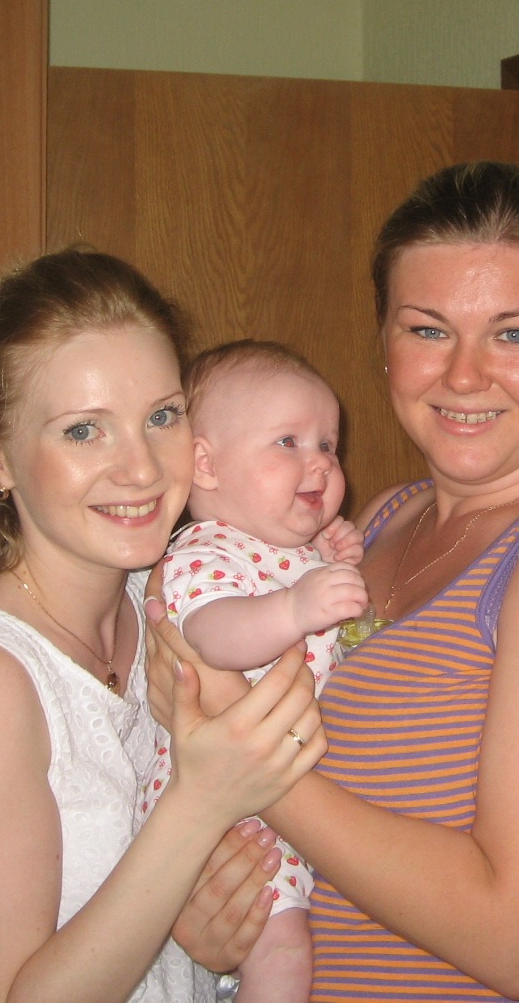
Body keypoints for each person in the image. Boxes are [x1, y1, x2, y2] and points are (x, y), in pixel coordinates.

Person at [146, 161, 519, 1001]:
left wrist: (239, 759)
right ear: (383, 337)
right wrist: (211, 906)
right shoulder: (375, 523)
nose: (465, 375)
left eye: (513, 334)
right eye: (428, 330)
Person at [0, 249, 325, 1003]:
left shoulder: (168, 608)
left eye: (161, 416)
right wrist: (201, 804)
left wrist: (194, 935)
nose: (142, 468)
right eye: (84, 431)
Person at [149, 341, 367, 1003]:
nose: (321, 461)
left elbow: (342, 637)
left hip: (279, 796)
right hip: (230, 811)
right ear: (206, 466)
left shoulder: (289, 554)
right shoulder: (203, 551)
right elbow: (210, 637)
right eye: (288, 442)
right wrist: (295, 607)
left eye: (327, 444)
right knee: (283, 952)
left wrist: (335, 562)